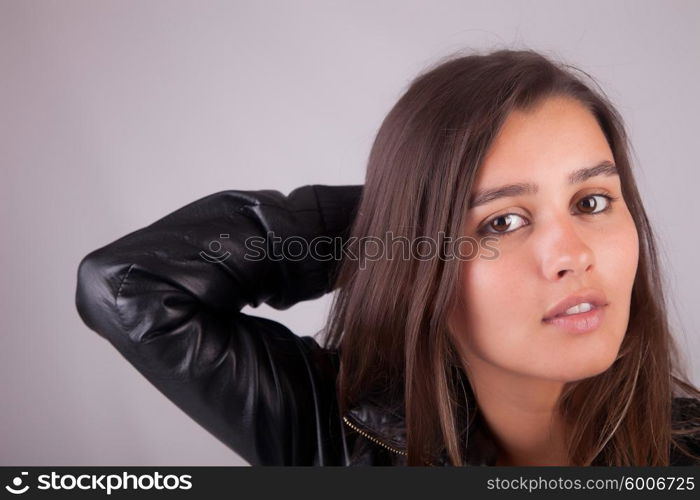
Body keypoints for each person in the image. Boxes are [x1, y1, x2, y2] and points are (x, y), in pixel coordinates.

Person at [75, 48, 700, 466]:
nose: (572, 255)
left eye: (592, 202)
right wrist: (403, 223)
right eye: (502, 221)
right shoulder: (334, 436)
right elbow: (129, 287)